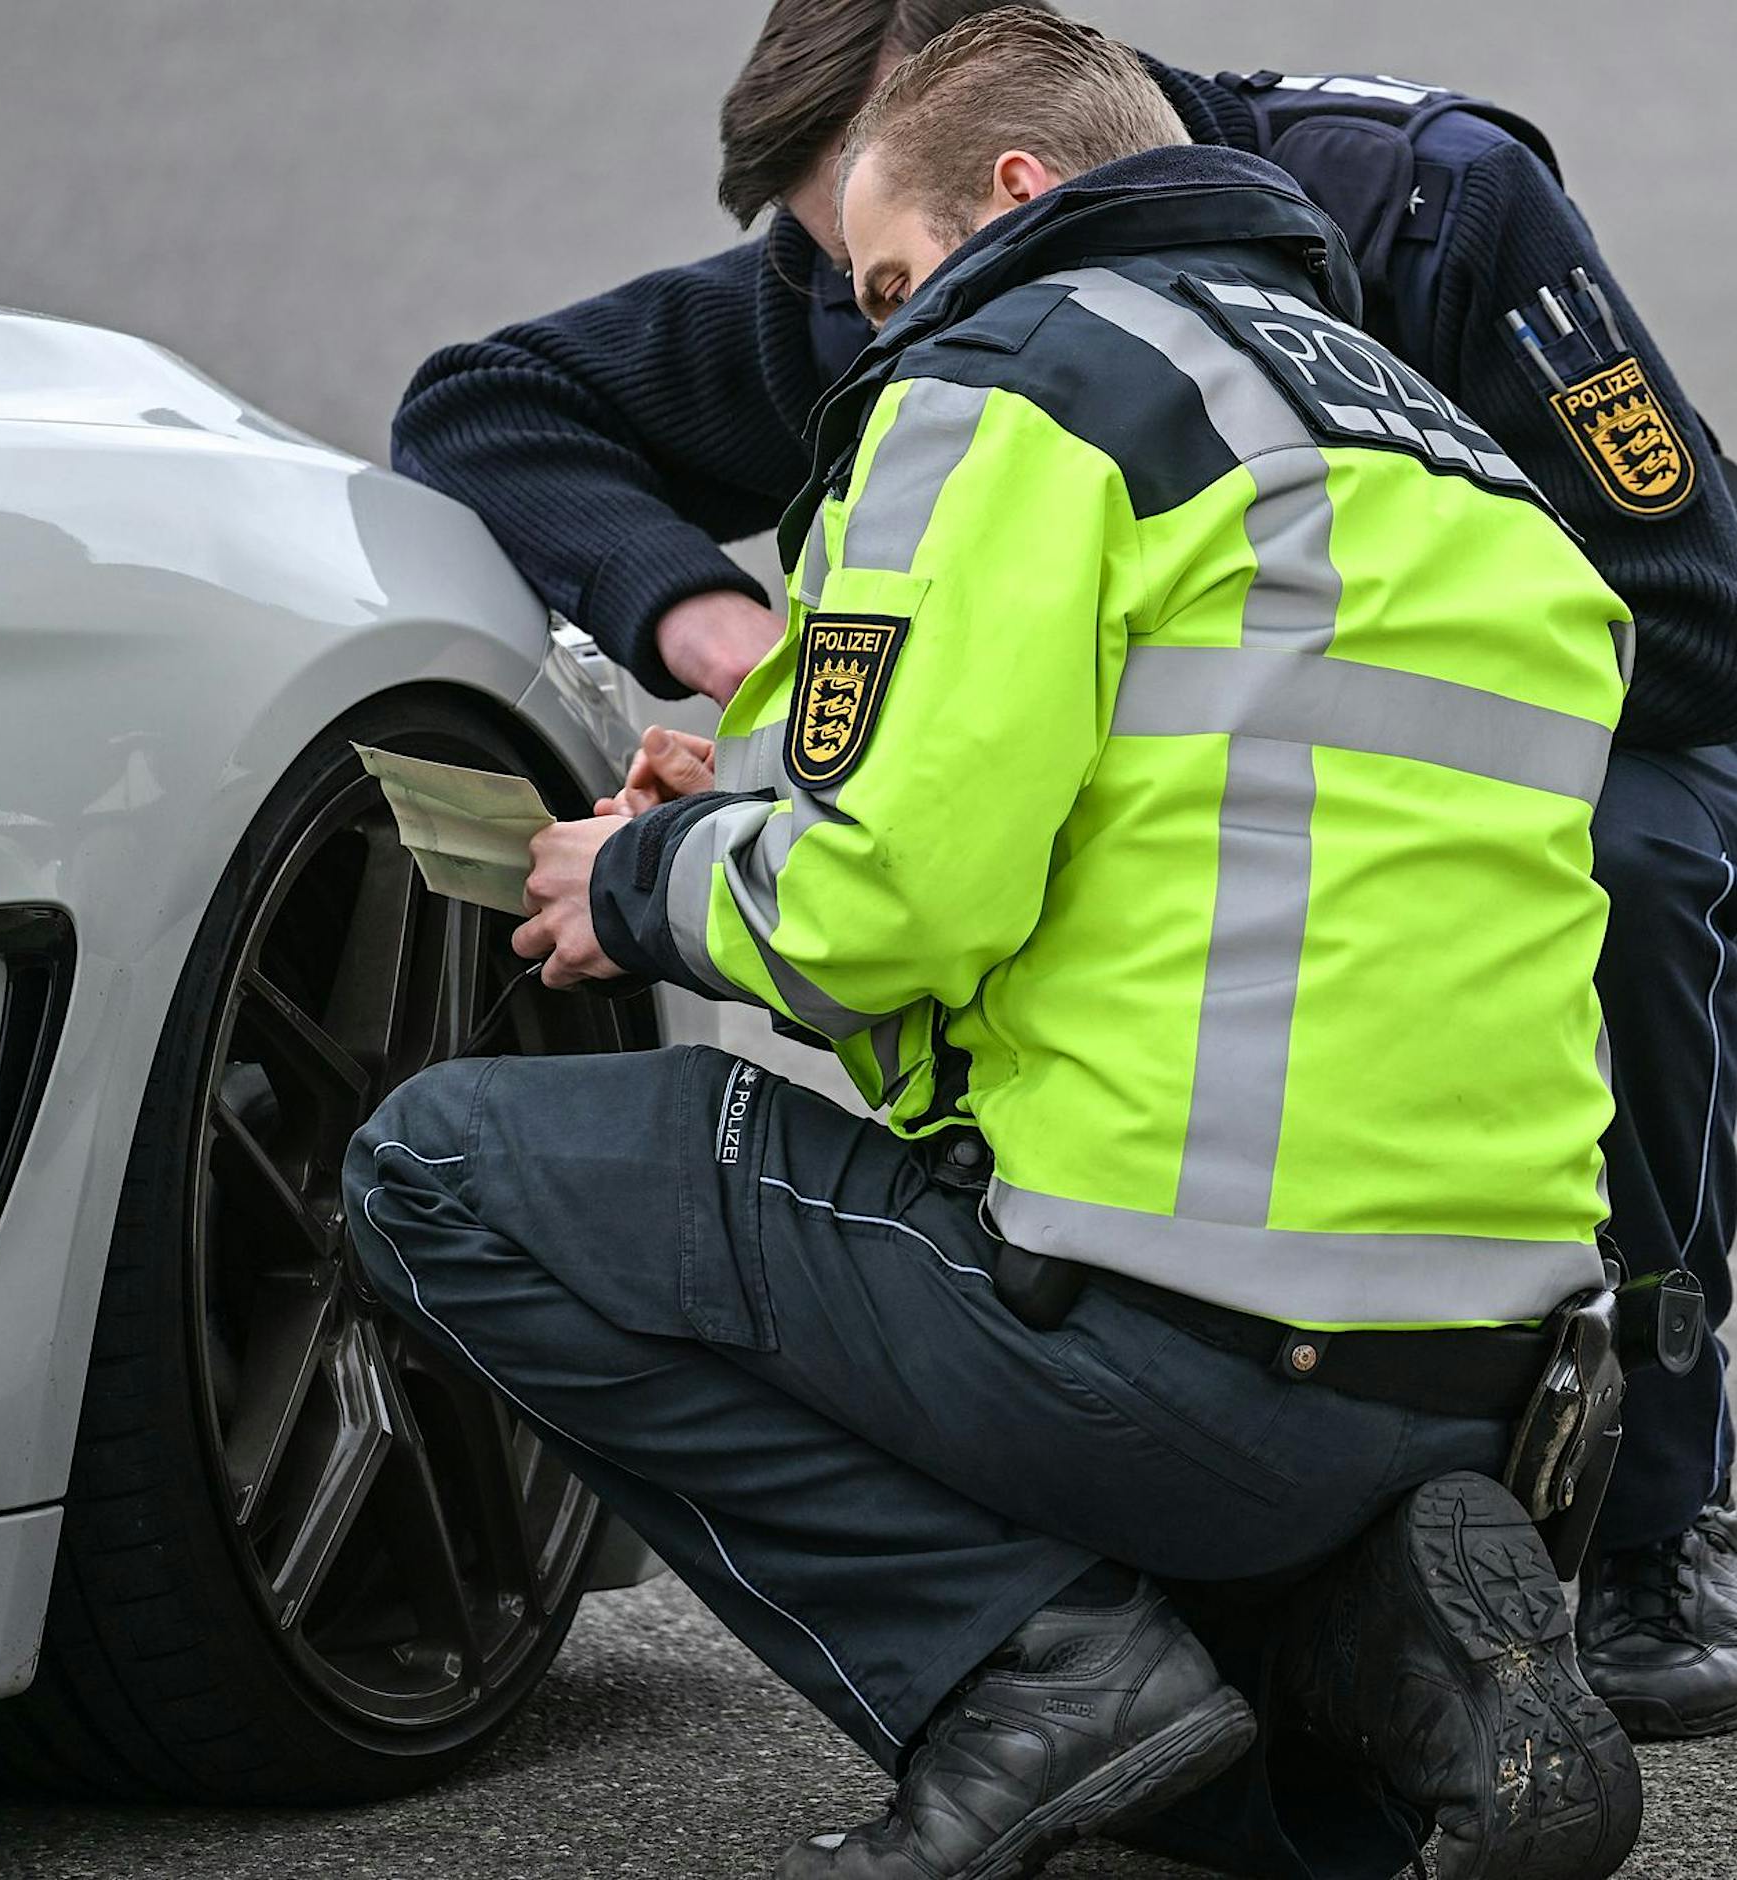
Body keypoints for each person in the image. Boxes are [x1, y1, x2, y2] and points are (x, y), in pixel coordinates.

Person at [351, 17, 1645, 1877]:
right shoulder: (1438, 453)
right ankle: (1392, 1662)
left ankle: (1028, 1669)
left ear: (1018, 196)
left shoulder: (1018, 375)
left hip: (1167, 1345)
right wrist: (740, 789)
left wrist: (633, 886)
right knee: (1230, 1815)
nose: (875, 329)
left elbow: (893, 911)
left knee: (439, 1172)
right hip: (1478, 1373)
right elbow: (1182, 813)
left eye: (882, 279)